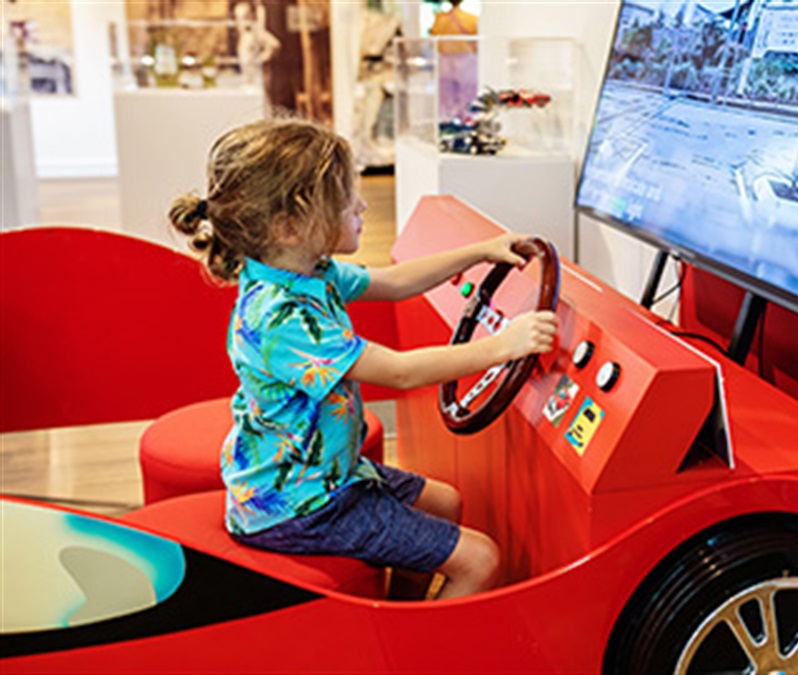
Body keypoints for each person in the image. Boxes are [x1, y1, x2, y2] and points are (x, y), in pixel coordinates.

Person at [167, 117, 558, 599]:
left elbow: (394, 282)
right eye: (345, 200)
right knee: (481, 560)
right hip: (299, 505)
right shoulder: (281, 318)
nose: (362, 204)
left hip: (327, 475)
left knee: (446, 503)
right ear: (290, 227)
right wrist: (503, 346)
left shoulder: (310, 272)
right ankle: (417, 658)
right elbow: (398, 371)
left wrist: (479, 252)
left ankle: (400, 618)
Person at [428, 0, 478, 120]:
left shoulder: (440, 19)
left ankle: (448, 120)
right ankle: (464, 120)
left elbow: (434, 37)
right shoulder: (470, 18)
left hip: (448, 60)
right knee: (466, 94)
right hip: (463, 60)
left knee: (447, 96)